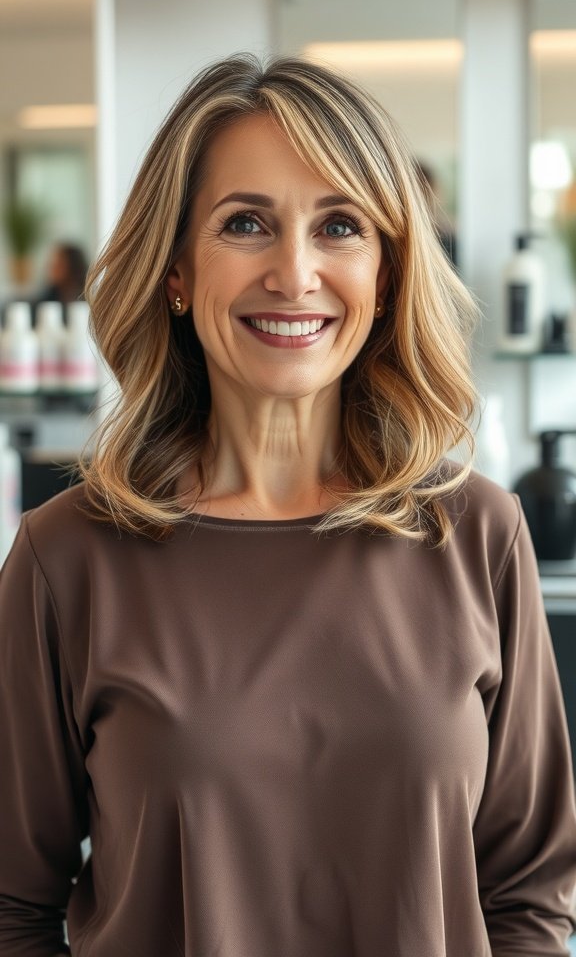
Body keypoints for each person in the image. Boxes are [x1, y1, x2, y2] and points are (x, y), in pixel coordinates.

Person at [0, 54, 575, 957]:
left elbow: (532, 895)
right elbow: (10, 908)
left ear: (385, 275)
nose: (295, 272)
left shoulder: (478, 535)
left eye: (340, 225)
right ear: (178, 272)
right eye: (246, 224)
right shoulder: (65, 558)